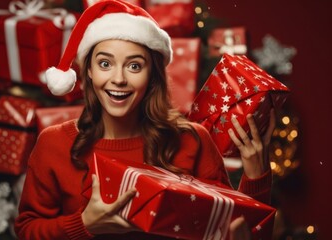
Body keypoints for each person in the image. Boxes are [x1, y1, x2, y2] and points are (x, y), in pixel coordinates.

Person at [14, 0, 275, 239]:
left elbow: (231, 231)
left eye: (134, 65)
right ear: (89, 71)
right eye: (105, 64)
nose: (118, 79)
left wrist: (255, 177)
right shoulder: (54, 144)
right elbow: (27, 231)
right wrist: (83, 225)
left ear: (152, 74)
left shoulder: (192, 140)